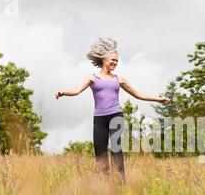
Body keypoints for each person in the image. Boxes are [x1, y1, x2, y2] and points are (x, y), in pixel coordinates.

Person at [54, 37, 169, 184]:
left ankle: (120, 183)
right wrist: (63, 92)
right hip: (99, 119)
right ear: (104, 59)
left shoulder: (119, 79)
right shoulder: (92, 78)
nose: (115, 63)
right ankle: (103, 184)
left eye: (117, 61)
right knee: (100, 152)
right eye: (113, 60)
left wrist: (158, 100)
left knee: (116, 149)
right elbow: (76, 90)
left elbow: (138, 94)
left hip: (116, 116)